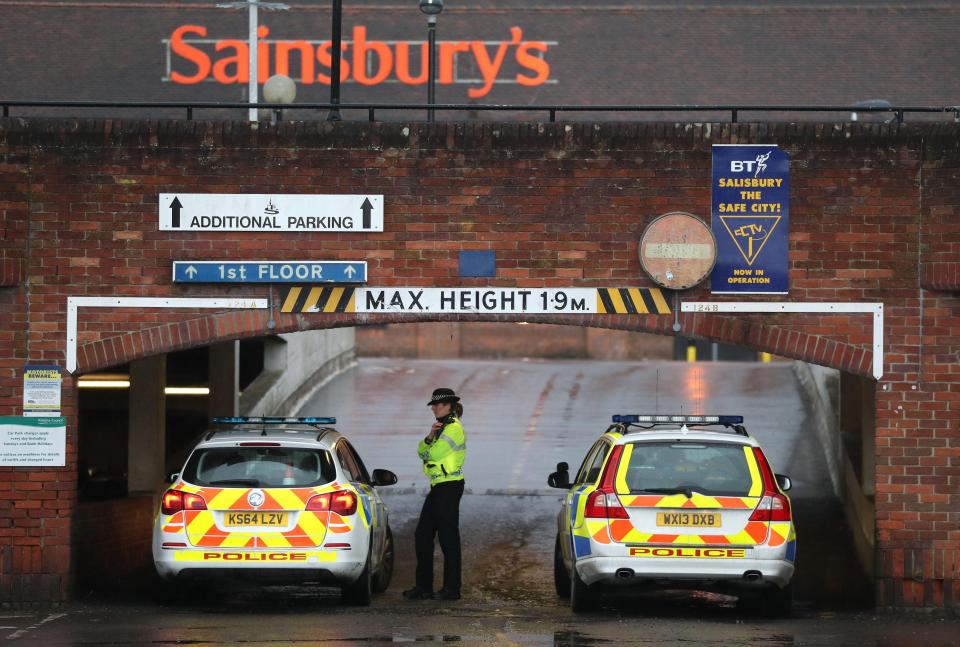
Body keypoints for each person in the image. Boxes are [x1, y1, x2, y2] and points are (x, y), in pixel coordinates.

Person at [402, 388, 467, 601]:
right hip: (438, 486)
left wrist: (429, 447)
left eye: (437, 405)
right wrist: (430, 436)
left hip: (449, 486)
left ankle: (451, 589)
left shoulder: (454, 428)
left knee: (448, 538)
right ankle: (424, 587)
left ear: (448, 405)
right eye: (433, 405)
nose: (434, 408)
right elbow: (421, 451)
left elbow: (435, 454)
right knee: (422, 535)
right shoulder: (440, 428)